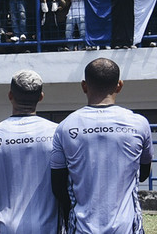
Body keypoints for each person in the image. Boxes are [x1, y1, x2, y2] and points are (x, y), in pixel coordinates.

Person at [50, 58, 153, 233]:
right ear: (119, 85)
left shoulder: (65, 127)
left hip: (82, 228)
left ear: (84, 86)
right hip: (127, 227)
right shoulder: (139, 123)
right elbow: (143, 173)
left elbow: (58, 185)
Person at [0, 70, 61, 233]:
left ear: (10, 95)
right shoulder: (57, 132)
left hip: (5, 227)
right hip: (49, 227)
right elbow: (63, 185)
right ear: (41, 97)